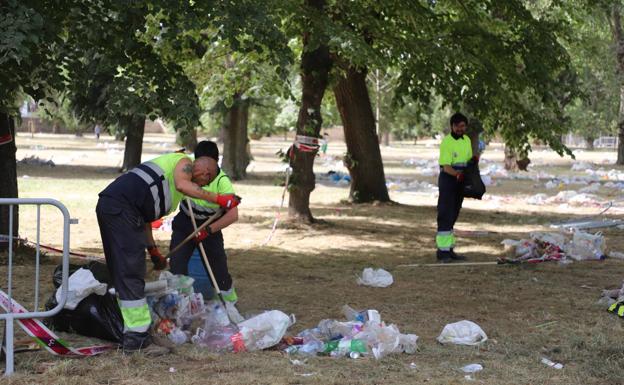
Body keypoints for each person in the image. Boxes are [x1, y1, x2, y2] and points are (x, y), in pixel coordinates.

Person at [95, 142, 240, 355]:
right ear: (203, 173)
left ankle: (133, 331)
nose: (202, 186)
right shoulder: (184, 163)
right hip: (120, 209)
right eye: (204, 182)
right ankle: (137, 339)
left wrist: (154, 252)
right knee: (130, 272)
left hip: (116, 208)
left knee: (125, 270)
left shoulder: (173, 184)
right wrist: (220, 199)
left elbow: (145, 220)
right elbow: (184, 185)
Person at [168, 141, 241, 319]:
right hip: (186, 222)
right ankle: (180, 305)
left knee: (218, 268)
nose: (203, 175)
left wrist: (208, 230)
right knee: (177, 263)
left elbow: (232, 215)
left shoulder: (222, 181)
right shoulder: (188, 171)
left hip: (210, 227)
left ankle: (229, 304)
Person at [436, 113, 473, 263]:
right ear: (452, 126)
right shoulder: (447, 142)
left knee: (453, 214)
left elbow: (469, 161)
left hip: (460, 181)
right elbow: (446, 166)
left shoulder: (467, 140)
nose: (460, 128)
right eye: (457, 126)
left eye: (462, 126)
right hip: (448, 180)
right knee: (445, 214)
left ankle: (449, 249)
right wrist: (457, 175)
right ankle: (442, 252)